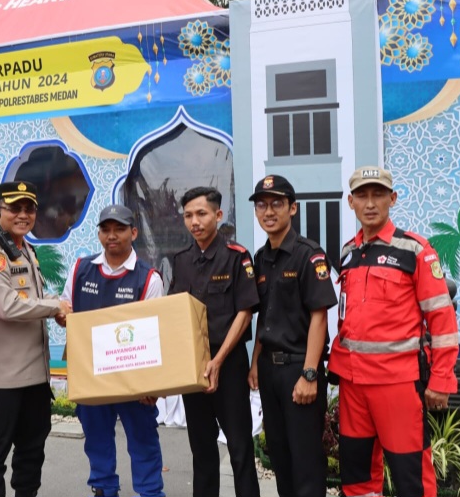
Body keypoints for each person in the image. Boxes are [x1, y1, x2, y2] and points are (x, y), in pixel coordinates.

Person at [328, 166, 459, 497]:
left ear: (393, 199)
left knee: (411, 476)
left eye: (378, 195)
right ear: (351, 202)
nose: (370, 203)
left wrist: (441, 380)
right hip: (353, 385)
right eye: (362, 196)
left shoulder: (415, 250)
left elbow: (442, 319)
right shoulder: (348, 253)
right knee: (357, 477)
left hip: (397, 384)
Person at [56, 204, 166, 497]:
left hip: (134, 379)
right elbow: (66, 309)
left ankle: (150, 492)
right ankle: (104, 488)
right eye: (106, 230)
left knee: (143, 439)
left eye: (119, 229)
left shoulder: (149, 278)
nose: (112, 236)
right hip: (92, 375)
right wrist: (62, 315)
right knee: (96, 438)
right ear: (99, 234)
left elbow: (155, 333)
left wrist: (153, 385)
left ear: (134, 233)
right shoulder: (81, 269)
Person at [0, 181, 70, 497]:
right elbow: (8, 306)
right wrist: (54, 307)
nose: (23, 215)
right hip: (4, 380)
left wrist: (58, 304)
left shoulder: (26, 249)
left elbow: (32, 297)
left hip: (35, 378)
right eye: (15, 208)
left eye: (29, 209)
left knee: (31, 452)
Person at [247, 175, 337, 497]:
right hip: (270, 371)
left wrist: (310, 374)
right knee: (280, 457)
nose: (268, 211)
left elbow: (319, 316)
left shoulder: (308, 254)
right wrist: (255, 363)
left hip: (299, 368)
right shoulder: (261, 258)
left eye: (276, 203)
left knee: (306, 460)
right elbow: (265, 316)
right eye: (262, 205)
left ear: (293, 208)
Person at [168, 187, 259, 497]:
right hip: (193, 369)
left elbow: (245, 312)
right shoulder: (181, 260)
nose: (194, 222)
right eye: (188, 216)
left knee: (240, 448)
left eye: (201, 214)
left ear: (218, 215)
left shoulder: (236, 257)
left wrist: (218, 361)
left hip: (229, 364)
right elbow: (174, 313)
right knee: (202, 449)